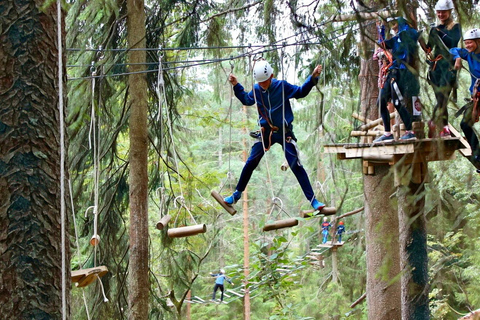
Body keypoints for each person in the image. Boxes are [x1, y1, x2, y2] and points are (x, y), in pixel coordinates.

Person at [224, 60, 326, 211]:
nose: (263, 85)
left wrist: (313, 78)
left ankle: (313, 200)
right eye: (260, 82)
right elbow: (246, 100)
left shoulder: (282, 86)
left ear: (271, 76)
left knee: (295, 164)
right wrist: (236, 86)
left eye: (265, 81)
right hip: (266, 133)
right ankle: (237, 194)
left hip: (284, 133)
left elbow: (301, 92)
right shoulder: (257, 89)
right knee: (251, 161)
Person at [373, 17, 422, 143]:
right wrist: (381, 29)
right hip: (392, 71)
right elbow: (382, 44)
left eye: (395, 24)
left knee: (396, 102)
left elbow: (413, 35)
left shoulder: (408, 34)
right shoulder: (396, 39)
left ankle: (409, 131)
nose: (393, 27)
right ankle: (388, 133)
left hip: (400, 72)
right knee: (382, 103)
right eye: (392, 25)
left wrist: (401, 23)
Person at [423, 0, 462, 138]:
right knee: (440, 97)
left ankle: (434, 121)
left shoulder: (456, 27)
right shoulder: (434, 29)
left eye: (443, 12)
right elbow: (429, 47)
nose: (440, 14)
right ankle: (444, 128)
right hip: (436, 67)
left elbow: (451, 42)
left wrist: (437, 31)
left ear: (449, 12)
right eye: (439, 12)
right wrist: (422, 41)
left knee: (443, 97)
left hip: (449, 67)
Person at [450, 28, 480, 163]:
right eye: (466, 43)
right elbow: (453, 49)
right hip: (477, 97)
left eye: (470, 43)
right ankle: (477, 152)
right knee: (465, 124)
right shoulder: (468, 54)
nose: (467, 46)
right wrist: (457, 58)